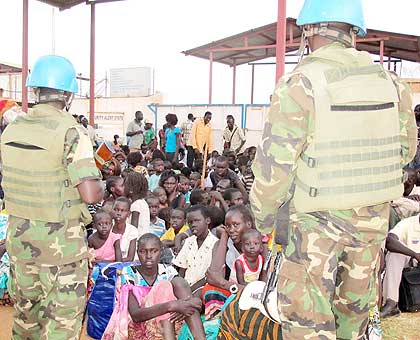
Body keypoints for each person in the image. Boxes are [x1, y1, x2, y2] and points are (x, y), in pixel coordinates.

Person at [249, 1, 417, 339]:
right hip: (372, 225)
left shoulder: (300, 82)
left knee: (309, 325)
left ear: (308, 30)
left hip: (315, 225)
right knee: (352, 325)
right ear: (354, 32)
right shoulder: (391, 82)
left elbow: (274, 167)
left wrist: (265, 219)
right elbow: (406, 151)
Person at [1, 55, 103, 340]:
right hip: (61, 250)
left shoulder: (12, 128)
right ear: (69, 94)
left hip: (20, 246)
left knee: (26, 322)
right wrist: (103, 183)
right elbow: (90, 192)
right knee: (60, 327)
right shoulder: (71, 130)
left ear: (35, 90)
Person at [124, 234, 206, 340]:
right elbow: (136, 315)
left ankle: (200, 338)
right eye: (143, 251)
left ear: (161, 251)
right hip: (142, 324)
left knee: (178, 282)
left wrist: (186, 304)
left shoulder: (168, 270)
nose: (149, 256)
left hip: (169, 321)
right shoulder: (129, 273)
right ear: (137, 252)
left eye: (154, 251)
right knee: (164, 286)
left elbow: (183, 292)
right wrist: (171, 306)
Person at [380, 213, 420, 318]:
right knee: (395, 255)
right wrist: (415, 254)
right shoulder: (408, 223)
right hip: (412, 263)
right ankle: (391, 303)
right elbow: (389, 240)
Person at [172, 205, 218, 292]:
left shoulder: (215, 244)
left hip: (204, 289)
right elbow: (182, 269)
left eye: (197, 221)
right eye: (190, 222)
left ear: (207, 220)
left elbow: (209, 276)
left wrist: (190, 291)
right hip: (185, 289)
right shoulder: (188, 242)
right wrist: (180, 289)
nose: (193, 225)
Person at [111, 197, 138, 262]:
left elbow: (130, 258)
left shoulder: (132, 230)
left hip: (125, 264)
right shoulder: (107, 227)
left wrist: (115, 262)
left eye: (122, 210)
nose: (119, 213)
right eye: (116, 209)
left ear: (128, 214)